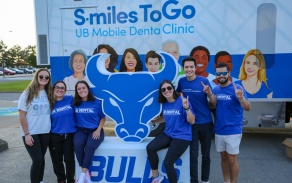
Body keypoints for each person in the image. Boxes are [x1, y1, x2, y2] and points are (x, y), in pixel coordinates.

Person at [146, 80, 195, 183]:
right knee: (150, 148)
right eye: (163, 89)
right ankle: (156, 176)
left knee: (168, 163)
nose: (166, 91)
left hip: (182, 136)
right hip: (169, 134)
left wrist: (187, 108)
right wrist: (155, 121)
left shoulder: (182, 101)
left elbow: (192, 121)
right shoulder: (164, 104)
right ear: (161, 92)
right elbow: (167, 117)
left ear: (173, 89)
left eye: (169, 88)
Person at [177, 57, 216, 183]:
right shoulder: (181, 82)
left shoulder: (203, 81)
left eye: (191, 67)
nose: (189, 69)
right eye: (186, 67)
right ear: (184, 69)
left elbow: (214, 103)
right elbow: (178, 99)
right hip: (191, 124)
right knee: (193, 155)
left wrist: (209, 93)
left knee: (206, 155)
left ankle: (205, 180)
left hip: (206, 124)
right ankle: (193, 180)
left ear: (195, 68)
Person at [212, 62, 251, 183]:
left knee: (232, 158)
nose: (221, 75)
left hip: (233, 130)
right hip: (219, 129)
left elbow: (248, 107)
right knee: (223, 157)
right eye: (219, 73)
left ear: (229, 73)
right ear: (216, 75)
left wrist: (241, 98)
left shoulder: (237, 89)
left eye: (224, 73)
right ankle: (226, 181)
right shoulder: (215, 90)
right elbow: (212, 105)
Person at [18, 68, 53, 183]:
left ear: (49, 79)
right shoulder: (27, 93)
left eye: (46, 77)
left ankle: (40, 180)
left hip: (45, 131)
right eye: (41, 76)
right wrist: (27, 134)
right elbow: (22, 115)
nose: (44, 79)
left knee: (41, 159)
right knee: (37, 159)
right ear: (36, 77)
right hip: (31, 133)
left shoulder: (49, 93)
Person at [73, 80, 106, 183]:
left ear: (88, 89)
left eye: (83, 88)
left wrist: (98, 130)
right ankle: (86, 173)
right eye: (79, 89)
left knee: (90, 146)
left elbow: (103, 118)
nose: (82, 90)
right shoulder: (75, 103)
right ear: (77, 91)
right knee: (77, 144)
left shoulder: (96, 102)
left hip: (95, 130)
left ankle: (82, 175)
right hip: (81, 130)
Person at [49, 80, 76, 183]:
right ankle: (61, 180)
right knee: (57, 161)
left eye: (62, 88)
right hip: (55, 136)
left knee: (69, 160)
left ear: (65, 90)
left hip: (69, 135)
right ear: (53, 89)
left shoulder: (70, 99)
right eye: (57, 87)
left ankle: (70, 180)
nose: (60, 89)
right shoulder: (49, 103)